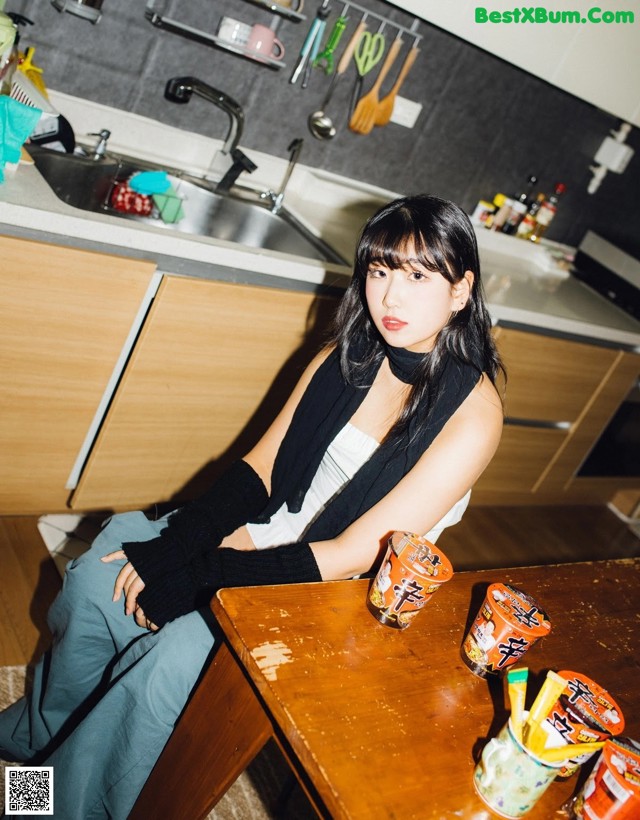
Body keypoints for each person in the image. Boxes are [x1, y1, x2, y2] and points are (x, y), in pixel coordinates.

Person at [0, 194, 504, 818]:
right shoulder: (348, 351)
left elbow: (353, 553)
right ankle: (36, 739)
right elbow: (261, 468)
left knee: (168, 669)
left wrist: (204, 575)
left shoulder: (474, 416)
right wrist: (185, 544)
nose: (390, 299)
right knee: (99, 573)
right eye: (379, 272)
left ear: (461, 290)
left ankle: (49, 805)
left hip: (332, 588)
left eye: (417, 276)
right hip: (266, 533)